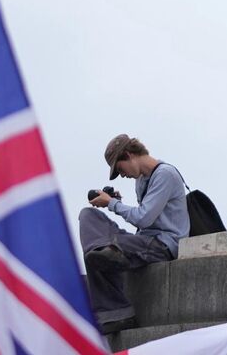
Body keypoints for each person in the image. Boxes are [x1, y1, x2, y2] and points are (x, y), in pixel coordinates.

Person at [79, 135, 190, 338]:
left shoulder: (165, 174)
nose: (122, 175)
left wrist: (112, 204)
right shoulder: (141, 180)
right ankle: (115, 310)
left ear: (129, 155)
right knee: (88, 217)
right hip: (144, 241)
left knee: (98, 251)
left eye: (120, 169)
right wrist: (117, 202)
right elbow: (145, 218)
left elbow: (144, 218)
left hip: (163, 245)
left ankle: (114, 310)